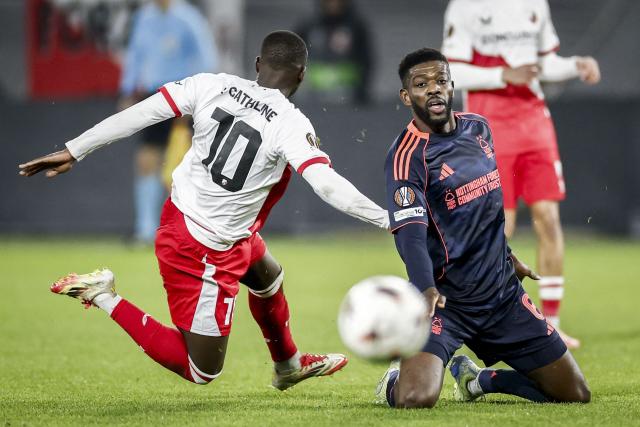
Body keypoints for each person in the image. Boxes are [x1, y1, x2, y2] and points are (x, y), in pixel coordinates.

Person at [19, 31, 389, 390]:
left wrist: (75, 149)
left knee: (267, 277)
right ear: (302, 75)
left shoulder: (209, 84)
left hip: (195, 219)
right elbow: (324, 183)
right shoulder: (291, 123)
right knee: (201, 370)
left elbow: (141, 114)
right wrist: (389, 220)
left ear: (258, 63)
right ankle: (101, 294)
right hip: (202, 247)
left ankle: (288, 366)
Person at [374, 48, 590, 408]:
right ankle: (394, 380)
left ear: (452, 85)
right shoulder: (406, 156)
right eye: (421, 84)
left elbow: (486, 209)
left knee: (574, 394)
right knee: (416, 399)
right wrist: (425, 289)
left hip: (502, 295)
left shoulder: (479, 128)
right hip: (446, 303)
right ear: (406, 96)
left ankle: (480, 380)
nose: (434, 90)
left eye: (441, 81)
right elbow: (410, 235)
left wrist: (508, 256)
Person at [441, 0, 601, 348]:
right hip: (489, 122)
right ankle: (482, 318)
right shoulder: (466, 6)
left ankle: (552, 324)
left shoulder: (534, 4)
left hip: (534, 121)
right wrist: (501, 75)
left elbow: (542, 64)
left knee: (548, 218)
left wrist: (576, 64)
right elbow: (449, 71)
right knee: (501, 226)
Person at [120, 0, 218, 244]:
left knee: (182, 165)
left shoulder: (188, 18)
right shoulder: (144, 18)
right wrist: (128, 90)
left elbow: (206, 58)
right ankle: (145, 229)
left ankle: (188, 230)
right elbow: (135, 55)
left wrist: (197, 97)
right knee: (147, 160)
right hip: (154, 96)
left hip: (181, 96)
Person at [295, 0, 373, 105]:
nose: (333, 4)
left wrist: (362, 91)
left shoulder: (356, 27)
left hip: (349, 94)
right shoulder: (307, 26)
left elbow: (366, 60)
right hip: (311, 95)